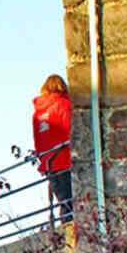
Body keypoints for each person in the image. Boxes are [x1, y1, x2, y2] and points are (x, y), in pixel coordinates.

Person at [32, 74, 73, 223]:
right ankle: (68, 226)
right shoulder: (63, 104)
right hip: (65, 158)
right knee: (70, 198)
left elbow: (37, 139)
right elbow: (70, 128)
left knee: (62, 198)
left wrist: (42, 161)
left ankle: (65, 224)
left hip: (49, 162)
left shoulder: (38, 113)